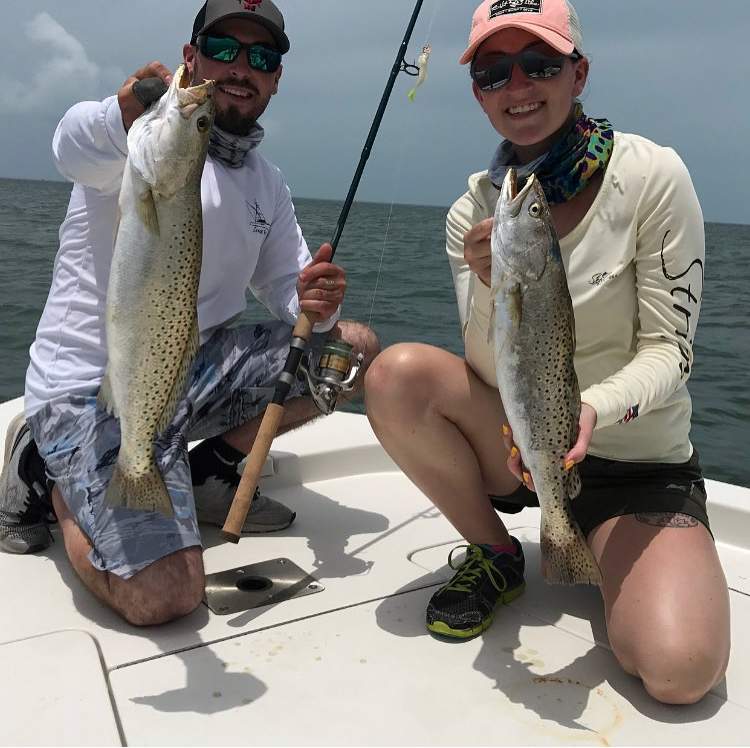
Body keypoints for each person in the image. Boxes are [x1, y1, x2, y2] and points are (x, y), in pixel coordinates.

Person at [365, 0, 729, 705]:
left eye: (539, 64)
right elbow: (486, 366)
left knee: (681, 670)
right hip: (522, 443)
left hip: (635, 462)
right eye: (494, 73)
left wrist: (590, 408)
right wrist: (485, 290)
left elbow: (671, 352)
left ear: (578, 72)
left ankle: (593, 537)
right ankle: (497, 553)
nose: (518, 87)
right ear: (478, 94)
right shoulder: (475, 210)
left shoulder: (652, 176)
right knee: (395, 376)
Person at [0, 0, 379, 626]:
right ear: (191, 57)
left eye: (262, 57)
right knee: (167, 595)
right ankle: (47, 472)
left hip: (186, 370)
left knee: (352, 350)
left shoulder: (267, 182)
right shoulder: (133, 145)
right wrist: (123, 111)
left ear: (276, 78)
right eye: (223, 48)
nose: (241, 67)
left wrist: (311, 297)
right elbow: (70, 146)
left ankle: (213, 470)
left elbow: (286, 282)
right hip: (89, 391)